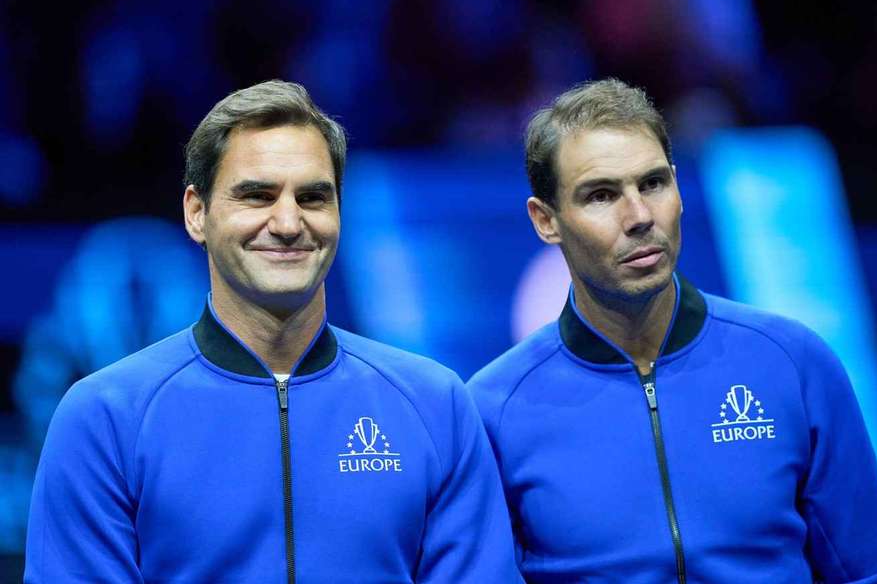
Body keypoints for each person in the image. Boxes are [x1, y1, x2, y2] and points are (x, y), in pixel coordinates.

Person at [25, 80, 520, 583]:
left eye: (312, 197)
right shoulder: (105, 416)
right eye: (257, 196)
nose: (288, 222)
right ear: (197, 213)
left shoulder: (434, 404)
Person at [468, 78, 877, 583]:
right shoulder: (492, 409)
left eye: (652, 183)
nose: (639, 216)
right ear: (546, 220)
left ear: (677, 186)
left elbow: (869, 572)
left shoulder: (792, 361)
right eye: (601, 195)